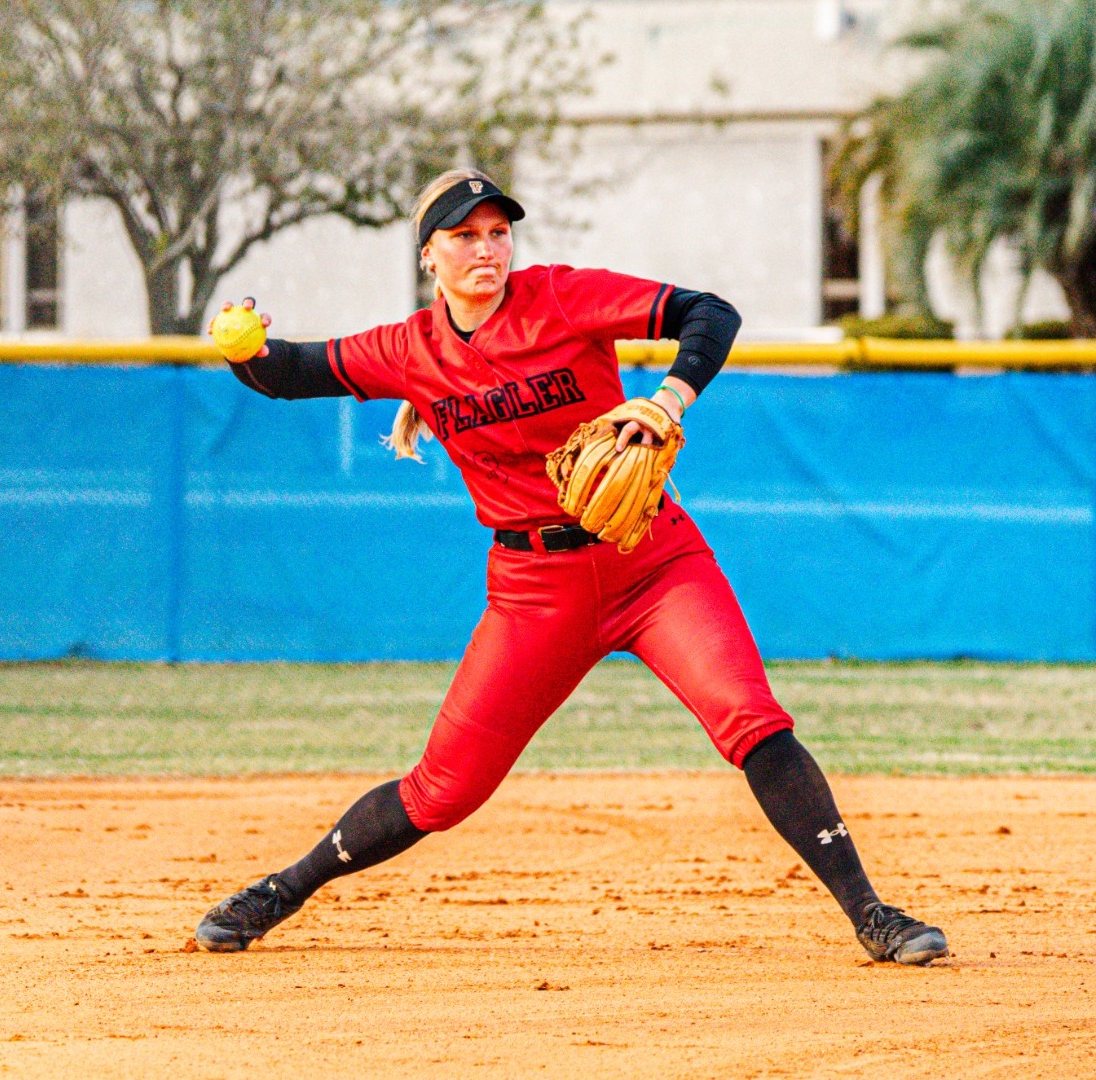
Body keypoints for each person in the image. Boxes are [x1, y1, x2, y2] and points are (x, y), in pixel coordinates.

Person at [195, 169, 948, 966]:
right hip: (532, 593)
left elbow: (709, 313)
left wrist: (668, 400)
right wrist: (244, 348)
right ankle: (278, 892)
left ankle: (872, 914)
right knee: (440, 792)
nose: (486, 249)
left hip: (652, 560)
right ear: (429, 256)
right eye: (464, 235)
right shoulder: (410, 351)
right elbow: (293, 371)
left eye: (497, 232)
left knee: (751, 719)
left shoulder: (561, 299)